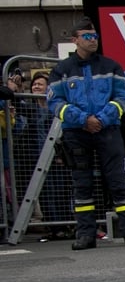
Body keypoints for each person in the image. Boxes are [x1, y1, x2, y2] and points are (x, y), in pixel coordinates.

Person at [47, 17, 125, 250]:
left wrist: (100, 119)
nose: (93, 41)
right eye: (87, 37)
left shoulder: (111, 66)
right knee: (82, 185)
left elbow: (123, 98)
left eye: (95, 37)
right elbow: (55, 103)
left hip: (107, 131)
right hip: (76, 133)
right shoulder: (61, 70)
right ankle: (85, 235)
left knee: (118, 182)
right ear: (75, 40)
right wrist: (83, 120)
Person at [22, 72, 73, 242]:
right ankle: (52, 227)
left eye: (40, 84)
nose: (36, 87)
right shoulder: (30, 109)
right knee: (45, 195)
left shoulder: (56, 108)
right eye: (34, 84)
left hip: (57, 159)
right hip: (36, 158)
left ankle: (64, 226)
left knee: (59, 193)